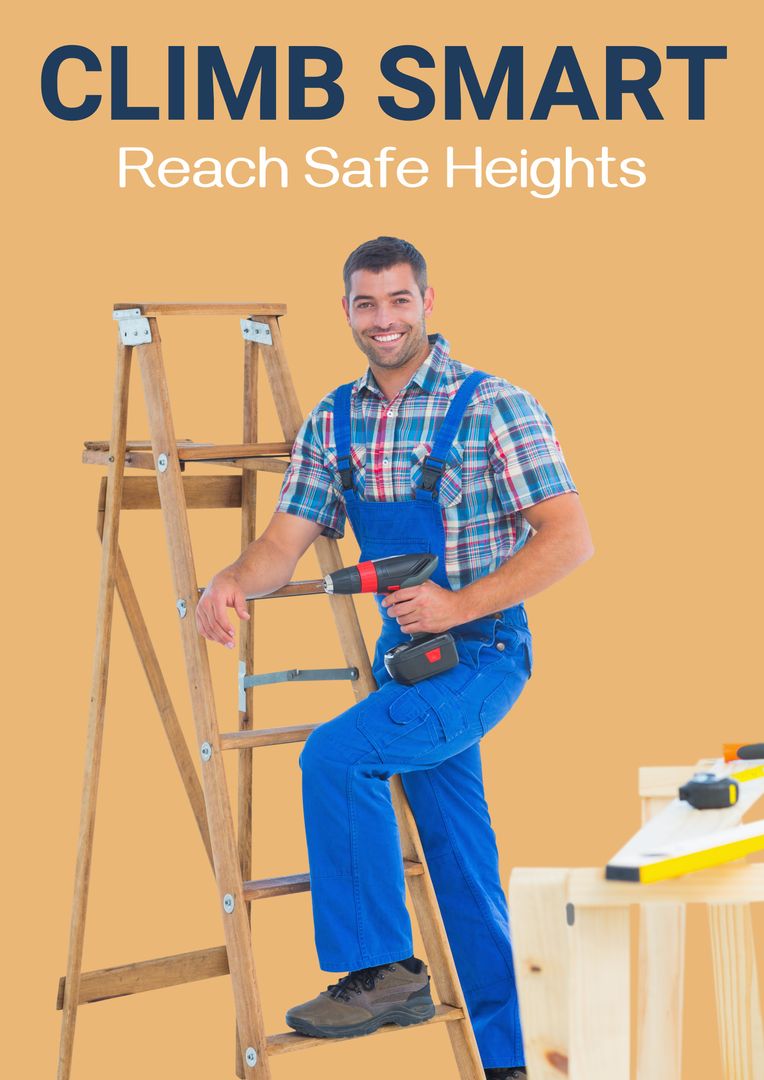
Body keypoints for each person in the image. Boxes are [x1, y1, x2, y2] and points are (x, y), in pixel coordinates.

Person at [196, 236, 594, 1079]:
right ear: (347, 311)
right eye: (368, 304)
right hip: (405, 658)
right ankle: (512, 1060)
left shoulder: (495, 406)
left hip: (482, 651)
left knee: (338, 755)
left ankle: (386, 971)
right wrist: (231, 580)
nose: (385, 320)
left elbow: (568, 538)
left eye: (400, 301)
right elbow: (282, 543)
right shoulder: (333, 422)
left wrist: (459, 604)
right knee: (459, 853)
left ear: (428, 302)